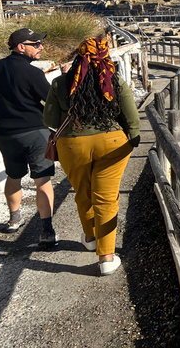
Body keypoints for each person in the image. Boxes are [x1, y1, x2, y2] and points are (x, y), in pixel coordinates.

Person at [43, 37, 140, 276]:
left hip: (72, 145)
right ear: (105, 57)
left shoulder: (60, 83)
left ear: (79, 57)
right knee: (106, 199)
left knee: (83, 193)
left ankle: (90, 237)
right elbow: (132, 118)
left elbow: (50, 121)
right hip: (112, 144)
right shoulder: (114, 80)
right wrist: (133, 139)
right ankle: (106, 257)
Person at [0, 28, 57, 248]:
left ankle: (14, 220)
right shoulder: (32, 72)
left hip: (5, 135)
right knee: (42, 180)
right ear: (21, 47)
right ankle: (47, 230)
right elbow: (50, 100)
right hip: (34, 131)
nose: (41, 47)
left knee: (13, 176)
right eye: (36, 44)